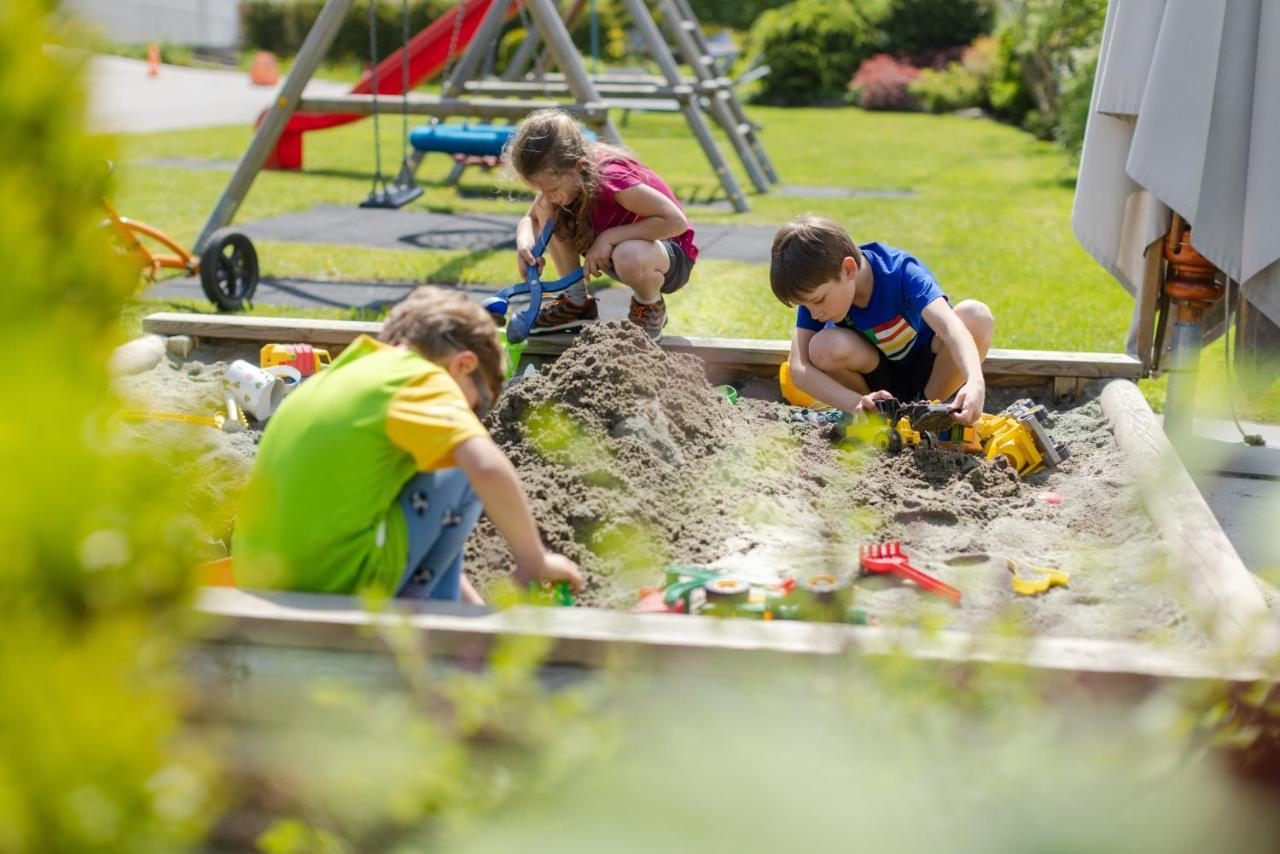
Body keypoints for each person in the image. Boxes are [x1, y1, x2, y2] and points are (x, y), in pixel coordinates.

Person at [232, 286, 583, 603]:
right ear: (464, 365)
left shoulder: (344, 375)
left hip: (258, 581)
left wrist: (474, 609)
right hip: (331, 581)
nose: (473, 416)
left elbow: (430, 542)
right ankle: (435, 622)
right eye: (479, 405)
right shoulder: (422, 378)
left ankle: (452, 612)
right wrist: (533, 560)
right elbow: (487, 467)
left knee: (432, 477)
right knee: (463, 469)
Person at [770, 216, 994, 424]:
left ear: (848, 269)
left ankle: (921, 414)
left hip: (927, 374)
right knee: (822, 347)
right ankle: (872, 416)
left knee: (976, 315)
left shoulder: (901, 272)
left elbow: (949, 327)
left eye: (818, 301)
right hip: (873, 383)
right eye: (805, 305)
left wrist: (975, 380)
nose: (814, 313)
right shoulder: (817, 294)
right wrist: (855, 403)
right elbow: (798, 369)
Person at [506, 108, 698, 341]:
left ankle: (649, 305)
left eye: (552, 189)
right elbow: (532, 219)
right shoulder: (563, 182)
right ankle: (576, 301)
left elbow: (675, 221)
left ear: (579, 167)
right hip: (614, 251)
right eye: (540, 190)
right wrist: (524, 243)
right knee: (547, 208)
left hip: (663, 254)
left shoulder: (613, 178)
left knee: (629, 254)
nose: (547, 195)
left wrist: (609, 238)